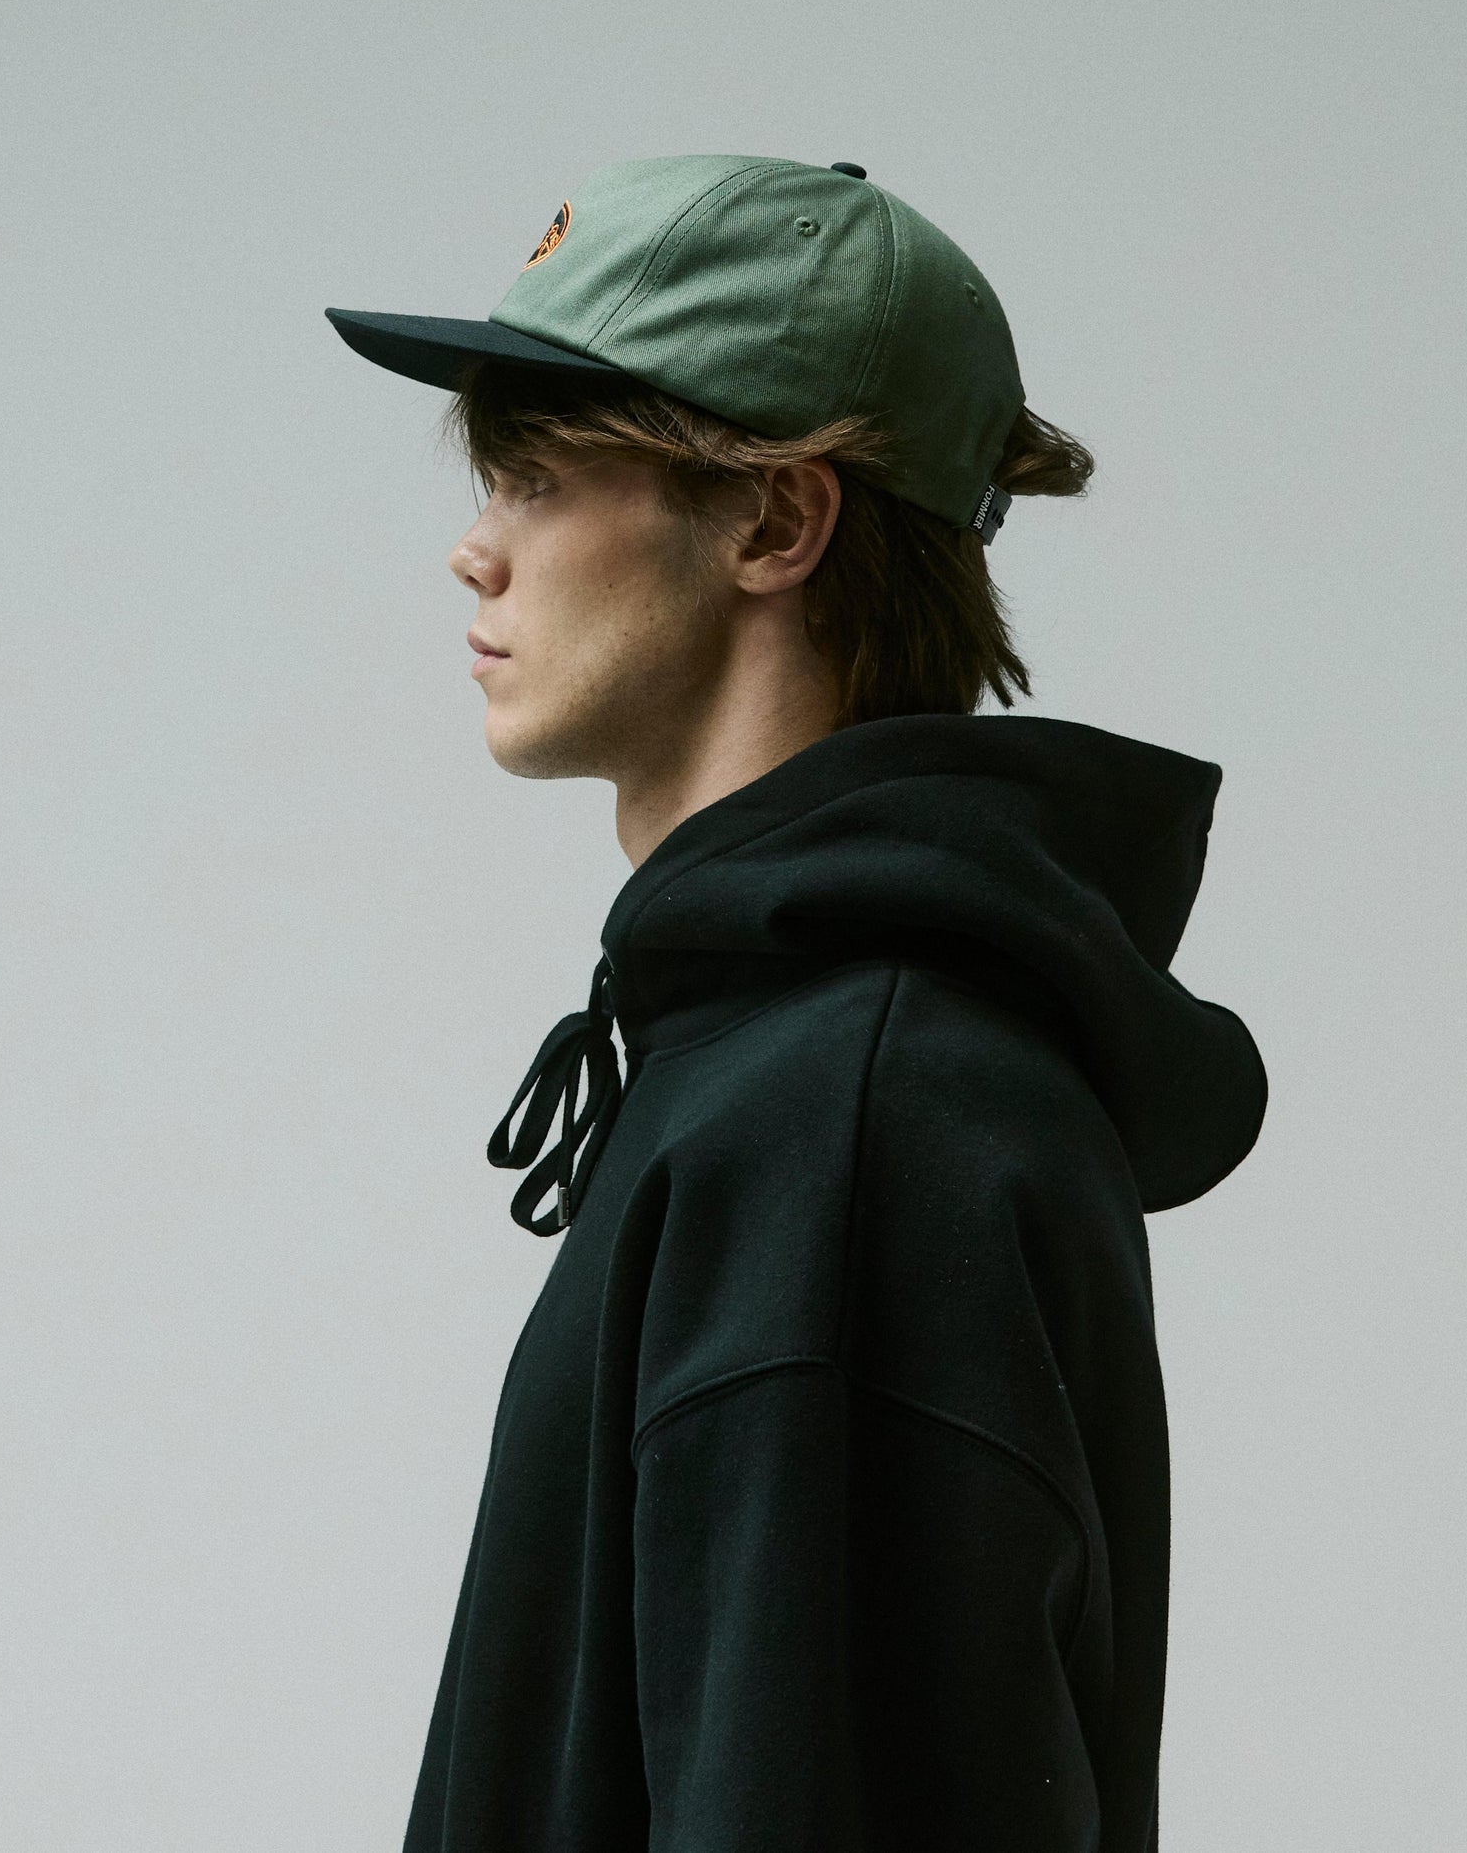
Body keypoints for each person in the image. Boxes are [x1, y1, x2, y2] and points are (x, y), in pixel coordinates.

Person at [325, 153, 1267, 1853]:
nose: (473, 551)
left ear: (773, 522)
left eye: (537, 476)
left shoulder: (845, 1124)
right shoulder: (787, 1069)